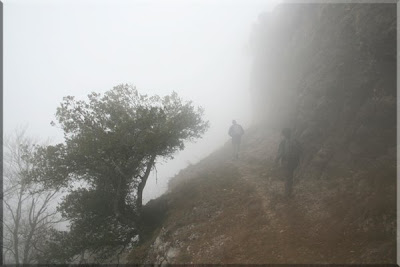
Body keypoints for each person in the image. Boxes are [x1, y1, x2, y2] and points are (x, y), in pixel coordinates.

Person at [275, 128, 301, 197]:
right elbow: (300, 151)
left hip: (286, 161)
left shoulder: (283, 142)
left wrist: (276, 160)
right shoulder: (295, 141)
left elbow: (280, 153)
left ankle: (287, 194)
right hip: (295, 162)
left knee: (287, 177)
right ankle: (290, 192)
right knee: (290, 176)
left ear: (284, 134)